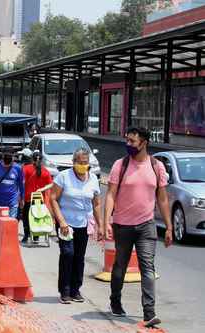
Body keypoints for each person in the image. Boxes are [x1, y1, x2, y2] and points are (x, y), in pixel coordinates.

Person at [104, 127, 172, 327]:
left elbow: (162, 199)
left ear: (144, 143)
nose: (128, 145)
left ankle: (149, 313)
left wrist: (168, 227)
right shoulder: (120, 165)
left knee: (147, 267)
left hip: (146, 225)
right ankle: (115, 301)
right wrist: (107, 221)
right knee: (120, 266)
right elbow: (110, 195)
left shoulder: (156, 166)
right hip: (122, 225)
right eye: (127, 141)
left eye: (132, 141)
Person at [50, 147, 103, 304]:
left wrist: (100, 225)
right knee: (68, 254)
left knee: (79, 257)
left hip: (83, 224)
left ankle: (75, 289)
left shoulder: (93, 179)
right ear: (73, 162)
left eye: (85, 162)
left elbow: (97, 204)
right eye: (79, 162)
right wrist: (61, 221)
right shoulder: (63, 177)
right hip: (66, 223)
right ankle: (64, 291)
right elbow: (53, 198)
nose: (82, 165)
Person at [21, 150, 53, 244]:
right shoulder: (46, 171)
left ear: (32, 159)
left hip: (27, 198)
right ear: (41, 160)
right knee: (37, 217)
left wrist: (20, 197)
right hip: (39, 199)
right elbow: (51, 184)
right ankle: (36, 237)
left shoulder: (26, 169)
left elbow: (21, 183)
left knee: (26, 217)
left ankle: (26, 236)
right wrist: (42, 189)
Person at [0, 150, 24, 218]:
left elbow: (21, 185)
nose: (6, 166)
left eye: (9, 164)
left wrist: (22, 199)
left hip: (12, 203)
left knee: (10, 224)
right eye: (5, 164)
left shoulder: (18, 168)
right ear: (2, 159)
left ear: (12, 160)